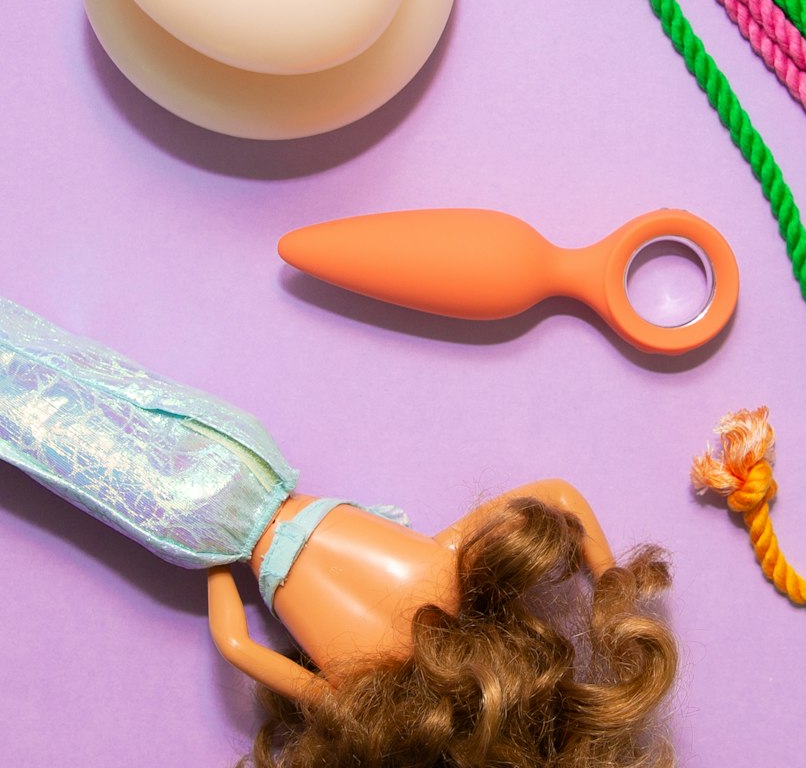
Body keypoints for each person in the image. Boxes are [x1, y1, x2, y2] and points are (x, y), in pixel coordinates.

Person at [0, 296, 676, 767]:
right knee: (67, 432)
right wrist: (213, 556)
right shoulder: (374, 680)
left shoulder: (432, 593)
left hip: (241, 477)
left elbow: (557, 495)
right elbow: (234, 642)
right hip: (222, 512)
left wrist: (609, 590)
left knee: (87, 405)